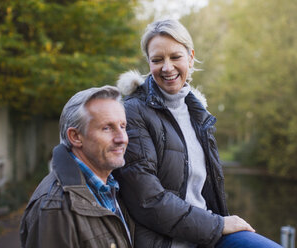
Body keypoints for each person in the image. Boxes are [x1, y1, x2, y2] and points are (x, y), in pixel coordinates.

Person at [114, 19, 282, 248]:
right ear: (149, 63)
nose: (167, 67)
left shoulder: (197, 112)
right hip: (166, 241)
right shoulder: (134, 112)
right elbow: (147, 201)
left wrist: (218, 225)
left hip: (207, 235)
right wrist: (218, 225)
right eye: (157, 60)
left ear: (191, 57)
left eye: (175, 57)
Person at [20, 86, 133, 248]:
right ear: (75, 137)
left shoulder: (114, 186)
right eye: (107, 128)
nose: (122, 138)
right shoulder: (55, 207)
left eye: (123, 126)